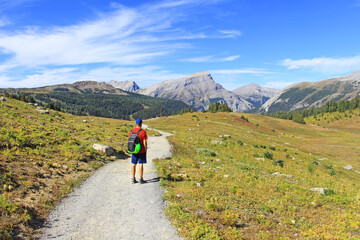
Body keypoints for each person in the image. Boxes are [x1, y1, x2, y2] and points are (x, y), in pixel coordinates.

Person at [129, 119, 148, 184]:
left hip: (134, 150)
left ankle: (133, 178)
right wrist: (145, 150)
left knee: (133, 164)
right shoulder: (143, 132)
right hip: (141, 150)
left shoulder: (131, 131)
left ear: (136, 123)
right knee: (140, 164)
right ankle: (140, 179)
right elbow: (145, 142)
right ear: (141, 124)